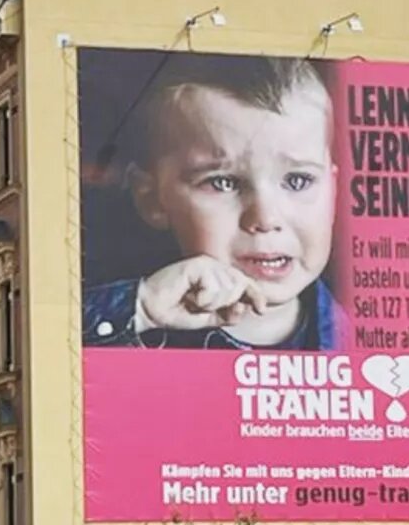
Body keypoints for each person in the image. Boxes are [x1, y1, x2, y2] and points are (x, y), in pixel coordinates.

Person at [83, 53, 347, 350]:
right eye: (224, 183)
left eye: (298, 181)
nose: (265, 219)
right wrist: (140, 309)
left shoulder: (366, 342)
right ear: (152, 200)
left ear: (334, 192)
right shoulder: (141, 317)